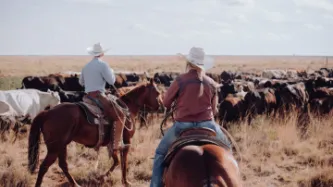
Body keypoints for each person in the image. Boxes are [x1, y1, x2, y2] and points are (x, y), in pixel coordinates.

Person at [150, 47, 232, 187]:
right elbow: (214, 109)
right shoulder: (211, 83)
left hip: (182, 126)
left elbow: (166, 103)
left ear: (189, 63)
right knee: (229, 149)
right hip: (208, 124)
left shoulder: (180, 81)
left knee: (160, 153)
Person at [79, 42, 125, 151]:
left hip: (87, 97)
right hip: (99, 96)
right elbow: (111, 81)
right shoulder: (103, 65)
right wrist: (111, 73)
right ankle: (116, 144)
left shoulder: (86, 66)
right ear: (102, 54)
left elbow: (81, 82)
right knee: (120, 116)